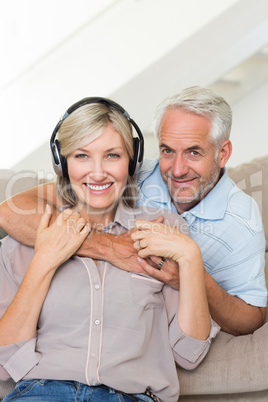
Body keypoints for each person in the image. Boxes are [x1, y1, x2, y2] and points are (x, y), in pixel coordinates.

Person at [0, 98, 219, 402]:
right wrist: (46, 260)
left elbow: (190, 353)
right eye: (82, 156)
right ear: (62, 163)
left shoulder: (164, 230)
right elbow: (5, 360)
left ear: (132, 162)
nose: (98, 172)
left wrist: (191, 257)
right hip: (43, 393)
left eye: (112, 155)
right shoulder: (25, 240)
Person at [0, 87, 266, 336]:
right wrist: (108, 246)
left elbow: (251, 318)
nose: (177, 169)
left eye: (194, 152)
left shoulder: (243, 221)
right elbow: (11, 212)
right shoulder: (126, 175)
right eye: (167, 151)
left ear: (223, 153)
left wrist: (189, 277)